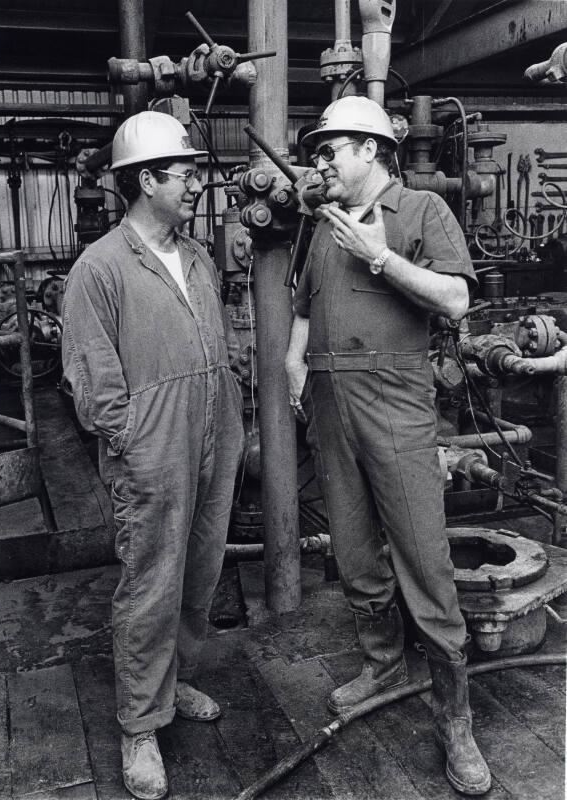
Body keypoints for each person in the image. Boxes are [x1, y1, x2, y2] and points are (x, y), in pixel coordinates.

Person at [285, 95, 491, 796]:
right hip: (329, 399)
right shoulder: (322, 225)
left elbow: (456, 300)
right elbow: (304, 306)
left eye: (329, 150)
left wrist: (380, 257)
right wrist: (292, 360)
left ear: (369, 149)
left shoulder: (422, 210)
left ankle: (454, 717)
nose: (320, 163)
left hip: (395, 399)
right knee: (351, 546)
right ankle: (383, 662)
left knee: (423, 555)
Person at [62, 110, 244, 800]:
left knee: (201, 567)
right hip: (153, 445)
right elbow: (91, 378)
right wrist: (133, 441)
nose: (195, 184)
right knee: (150, 583)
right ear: (145, 180)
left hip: (215, 428)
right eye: (183, 174)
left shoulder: (196, 256)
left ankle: (174, 682)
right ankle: (139, 725)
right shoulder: (100, 267)